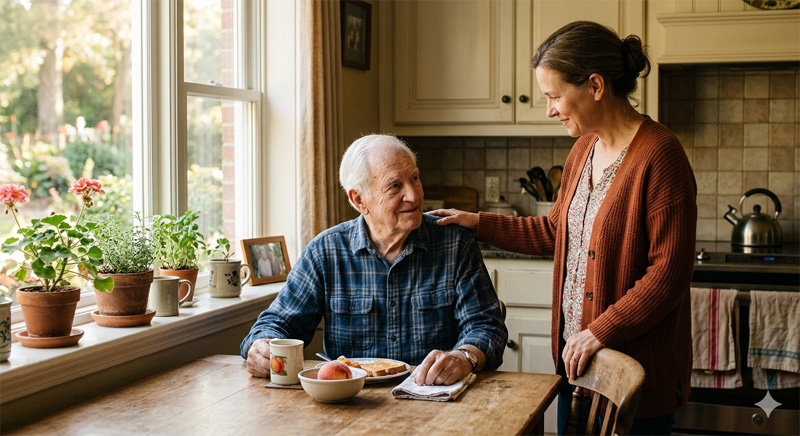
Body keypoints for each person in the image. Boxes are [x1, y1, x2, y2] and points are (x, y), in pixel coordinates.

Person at [430, 21, 696, 434]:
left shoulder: (660, 155)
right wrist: (478, 223)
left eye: (554, 96)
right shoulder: (582, 150)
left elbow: (669, 274)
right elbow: (555, 232)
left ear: (594, 85)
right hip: (579, 373)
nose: (550, 109)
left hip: (633, 382)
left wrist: (599, 331)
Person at [241, 134, 507, 386]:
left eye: (414, 179)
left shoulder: (454, 243)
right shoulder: (326, 251)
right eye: (395, 186)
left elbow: (486, 326)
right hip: (352, 404)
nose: (414, 195)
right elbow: (278, 322)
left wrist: (464, 357)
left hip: (433, 398)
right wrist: (261, 347)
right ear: (359, 200)